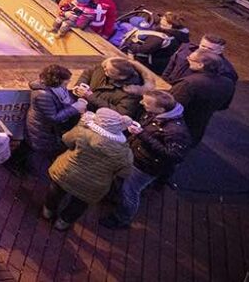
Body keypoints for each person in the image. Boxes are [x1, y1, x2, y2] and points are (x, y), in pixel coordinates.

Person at [101, 90, 191, 229]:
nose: (142, 103)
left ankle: (121, 218)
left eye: (147, 102)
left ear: (161, 108)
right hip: (136, 157)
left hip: (146, 166)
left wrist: (142, 134)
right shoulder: (158, 115)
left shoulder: (176, 131)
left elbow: (174, 155)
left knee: (130, 191)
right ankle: (115, 200)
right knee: (122, 182)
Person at [44, 109, 134, 231]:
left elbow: (66, 139)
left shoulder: (83, 132)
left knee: (56, 192)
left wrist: (81, 124)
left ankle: (47, 212)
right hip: (95, 184)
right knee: (79, 204)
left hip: (67, 171)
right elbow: (124, 172)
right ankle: (62, 223)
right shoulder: (124, 152)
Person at [8, 65, 87, 177]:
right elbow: (53, 117)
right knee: (29, 146)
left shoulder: (55, 88)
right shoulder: (43, 95)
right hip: (39, 127)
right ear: (56, 81)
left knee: (29, 146)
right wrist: (75, 108)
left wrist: (72, 95)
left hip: (43, 126)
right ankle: (13, 164)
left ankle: (19, 162)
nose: (68, 83)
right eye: (66, 82)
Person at [168, 50, 235, 146]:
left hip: (178, 126)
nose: (187, 59)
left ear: (200, 65)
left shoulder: (189, 83)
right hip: (198, 126)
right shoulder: (228, 83)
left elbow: (171, 106)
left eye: (191, 59)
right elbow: (224, 106)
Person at [74, 57, 152, 120]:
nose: (104, 70)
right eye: (105, 68)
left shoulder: (132, 94)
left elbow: (120, 113)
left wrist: (91, 97)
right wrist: (80, 85)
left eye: (109, 71)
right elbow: (88, 73)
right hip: (78, 107)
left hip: (96, 120)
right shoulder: (107, 67)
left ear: (122, 77)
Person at [163, 33, 239, 84]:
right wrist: (164, 79)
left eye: (210, 49)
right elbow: (172, 63)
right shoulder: (186, 48)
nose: (204, 50)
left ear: (220, 50)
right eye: (203, 46)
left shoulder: (226, 71)